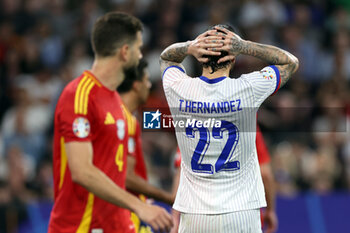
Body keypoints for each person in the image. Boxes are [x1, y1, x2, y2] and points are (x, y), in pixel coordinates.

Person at [160, 24, 298, 232]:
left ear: (200, 56)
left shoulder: (177, 87)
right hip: (241, 213)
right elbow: (290, 62)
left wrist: (190, 46)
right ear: (233, 58)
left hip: (194, 215)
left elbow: (166, 58)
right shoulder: (249, 88)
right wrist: (245, 46)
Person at [48, 12, 172, 233]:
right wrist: (139, 205)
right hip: (79, 226)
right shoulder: (78, 95)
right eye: (139, 48)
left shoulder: (116, 102)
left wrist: (138, 202)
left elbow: (115, 171)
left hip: (115, 225)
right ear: (125, 52)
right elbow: (82, 171)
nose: (141, 54)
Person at [170, 124, 278, 233]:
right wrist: (270, 210)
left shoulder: (193, 124)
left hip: (198, 214)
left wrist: (175, 217)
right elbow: (265, 174)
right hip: (241, 214)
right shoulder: (246, 122)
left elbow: (181, 175)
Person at [117, 58, 175, 232]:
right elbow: (125, 177)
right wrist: (168, 198)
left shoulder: (127, 117)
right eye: (146, 80)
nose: (149, 86)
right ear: (136, 84)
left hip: (129, 211)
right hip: (120, 215)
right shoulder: (121, 119)